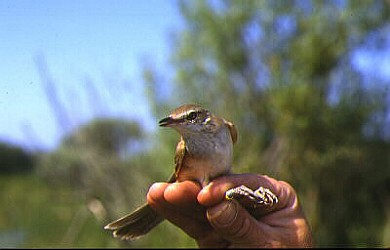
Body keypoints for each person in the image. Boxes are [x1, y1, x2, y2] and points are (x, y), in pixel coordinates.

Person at [147, 173, 314, 248]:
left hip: (213, 195)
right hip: (202, 192)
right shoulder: (186, 146)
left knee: (211, 196)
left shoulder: (226, 129)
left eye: (190, 118)